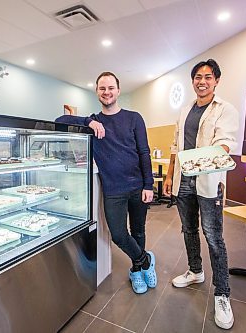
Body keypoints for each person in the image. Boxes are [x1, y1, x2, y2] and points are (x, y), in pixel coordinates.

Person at [56, 71, 157, 294]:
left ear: (118, 91)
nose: (107, 92)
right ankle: (146, 260)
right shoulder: (94, 122)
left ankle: (136, 270)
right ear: (97, 92)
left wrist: (148, 185)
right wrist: (88, 121)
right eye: (102, 88)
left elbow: (143, 152)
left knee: (138, 231)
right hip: (113, 189)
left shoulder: (134, 118)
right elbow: (59, 121)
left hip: (138, 186)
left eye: (111, 88)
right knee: (119, 234)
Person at [163, 59, 239, 329]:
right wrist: (171, 174)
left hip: (208, 182)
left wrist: (204, 161)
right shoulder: (184, 112)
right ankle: (195, 271)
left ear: (216, 80)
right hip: (184, 181)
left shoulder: (225, 109)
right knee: (189, 230)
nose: (202, 81)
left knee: (214, 237)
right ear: (192, 80)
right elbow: (175, 146)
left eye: (208, 76)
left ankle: (222, 294)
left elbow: (224, 145)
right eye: (197, 76)